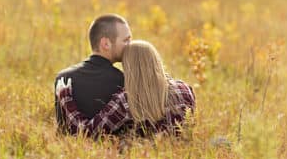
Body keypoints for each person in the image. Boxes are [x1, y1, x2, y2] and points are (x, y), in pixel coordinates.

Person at [56, 40, 195, 137]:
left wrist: (66, 99)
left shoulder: (126, 100)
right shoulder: (185, 90)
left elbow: (87, 133)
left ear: (129, 66)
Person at [54, 14, 132, 134]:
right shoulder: (123, 81)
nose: (130, 45)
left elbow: (62, 131)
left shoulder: (63, 78)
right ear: (106, 44)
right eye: (126, 40)